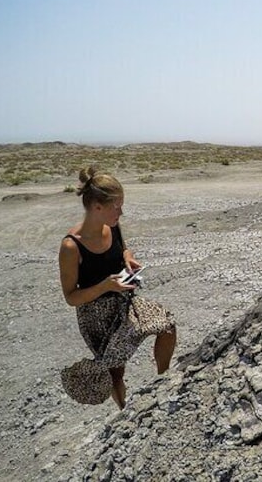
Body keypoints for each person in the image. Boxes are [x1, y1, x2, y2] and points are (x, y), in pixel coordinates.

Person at [58, 167, 176, 409]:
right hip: (97, 317)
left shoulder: (111, 225)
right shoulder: (71, 247)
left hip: (125, 301)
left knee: (167, 327)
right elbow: (71, 297)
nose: (121, 212)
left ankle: (164, 381)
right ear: (97, 207)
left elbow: (123, 247)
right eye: (117, 206)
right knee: (115, 372)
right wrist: (104, 286)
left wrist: (128, 258)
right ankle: (125, 412)